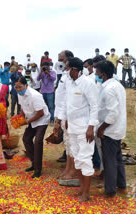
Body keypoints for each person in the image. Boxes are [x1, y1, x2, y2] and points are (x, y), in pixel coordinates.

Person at [57, 57, 99, 201]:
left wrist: (91, 127)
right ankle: (82, 189)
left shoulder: (88, 83)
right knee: (77, 160)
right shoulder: (69, 82)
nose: (65, 71)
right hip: (72, 128)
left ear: (75, 69)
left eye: (67, 68)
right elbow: (67, 103)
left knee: (85, 159)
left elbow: (94, 106)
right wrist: (66, 119)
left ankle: (87, 193)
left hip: (85, 128)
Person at [95, 60, 127, 197]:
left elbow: (112, 113)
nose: (95, 74)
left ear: (102, 74)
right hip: (117, 129)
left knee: (109, 162)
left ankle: (110, 190)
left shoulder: (109, 89)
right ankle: (121, 185)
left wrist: (101, 128)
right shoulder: (117, 85)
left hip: (110, 130)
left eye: (97, 71)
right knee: (117, 159)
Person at [16, 77, 50, 178]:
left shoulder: (35, 96)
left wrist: (27, 121)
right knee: (26, 139)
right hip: (31, 118)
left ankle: (38, 169)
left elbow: (40, 113)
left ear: (26, 85)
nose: (18, 89)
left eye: (20, 87)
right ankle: (34, 163)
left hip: (41, 120)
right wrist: (19, 119)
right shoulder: (19, 94)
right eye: (16, 87)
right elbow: (23, 108)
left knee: (38, 141)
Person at [54, 50, 78, 185]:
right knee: (68, 144)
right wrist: (58, 118)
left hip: (71, 115)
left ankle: (73, 171)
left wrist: (67, 116)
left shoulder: (76, 77)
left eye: (62, 59)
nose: (60, 62)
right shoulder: (64, 74)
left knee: (73, 144)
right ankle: (69, 169)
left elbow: (72, 99)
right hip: (63, 114)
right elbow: (61, 98)